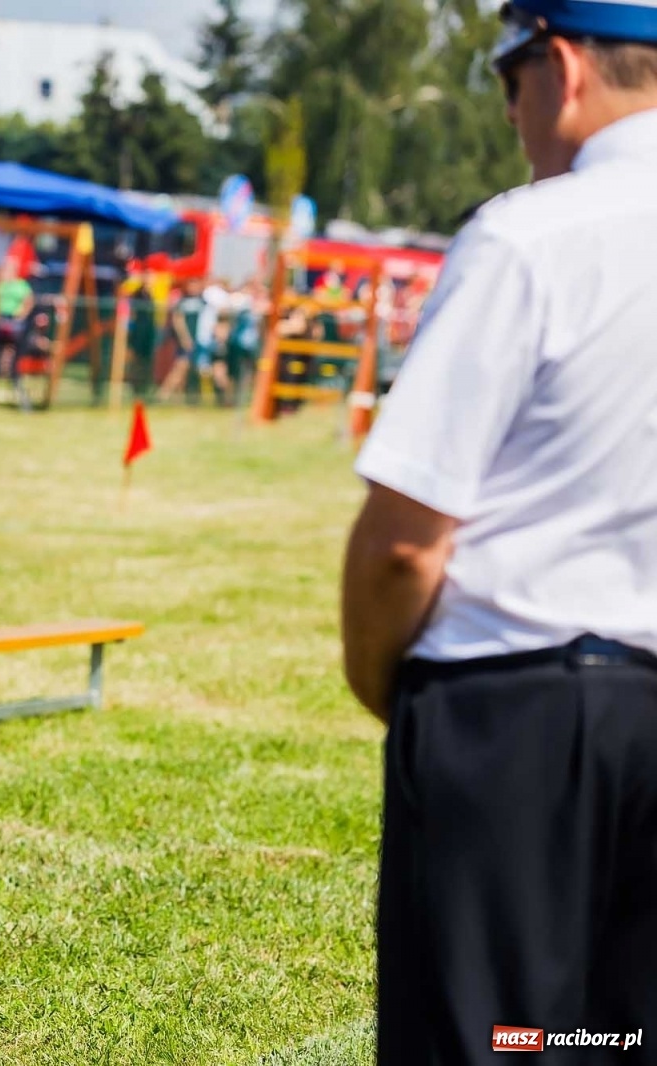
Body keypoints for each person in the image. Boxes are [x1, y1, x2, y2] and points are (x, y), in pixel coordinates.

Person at [342, 4, 657, 1062]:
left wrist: (390, 689)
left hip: (513, 708)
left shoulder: (531, 234)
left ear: (561, 65)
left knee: (500, 1039)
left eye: (507, 80)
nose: (512, 113)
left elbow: (403, 539)